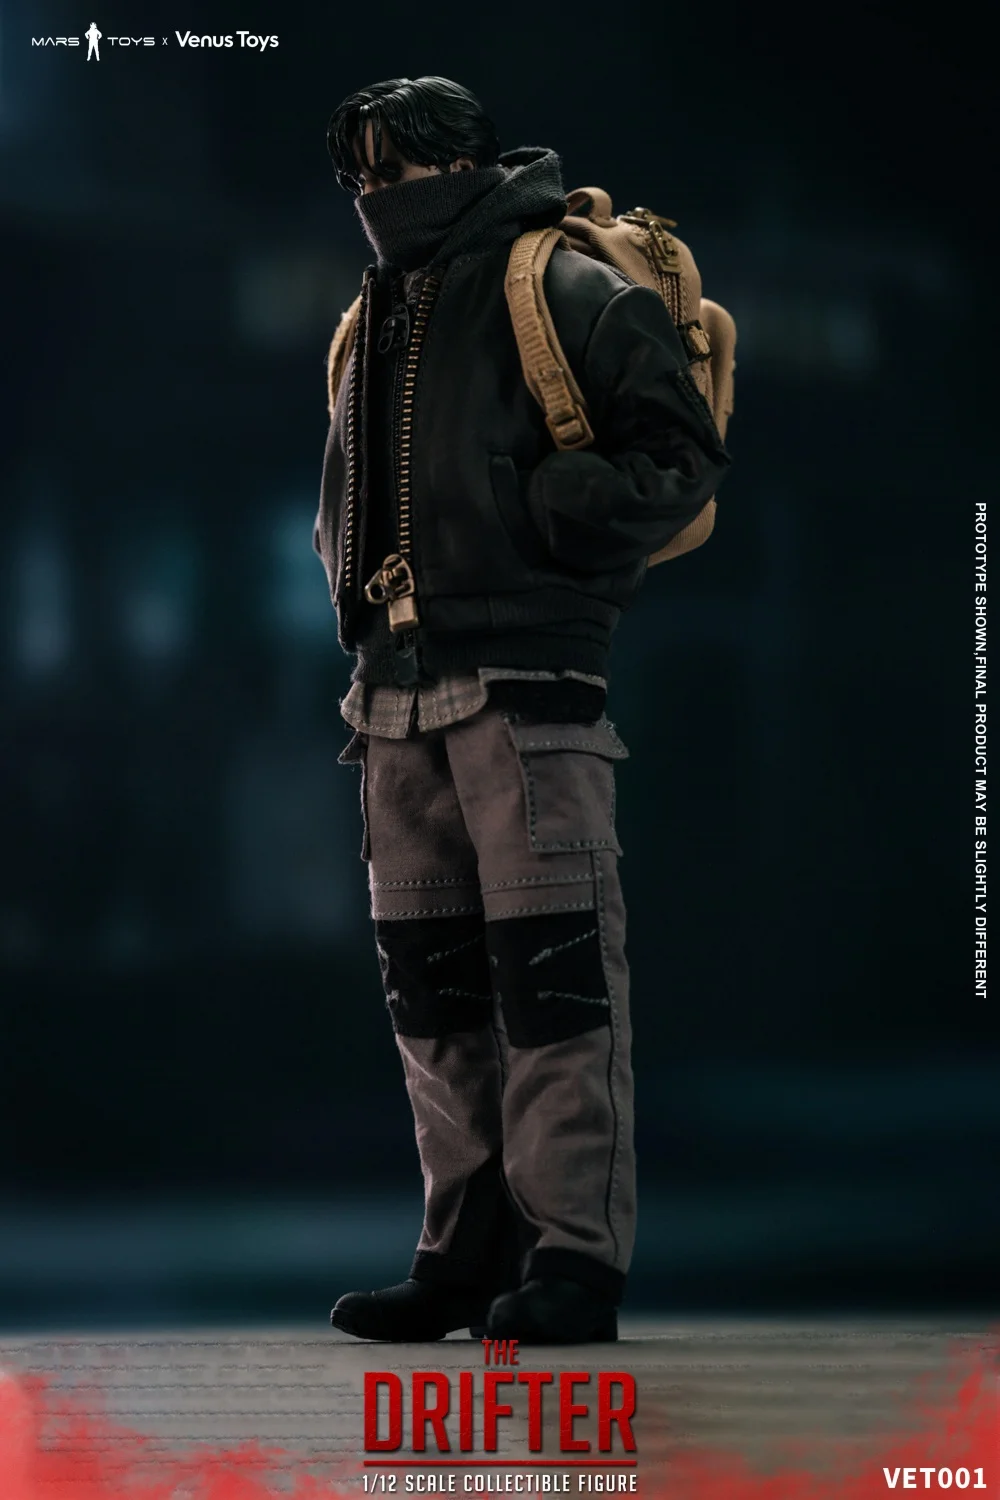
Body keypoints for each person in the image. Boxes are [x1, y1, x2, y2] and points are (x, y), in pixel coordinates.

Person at [315, 76, 730, 1343]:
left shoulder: (561, 285)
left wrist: (553, 519)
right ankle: (464, 1252)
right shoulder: (373, 314)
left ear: (463, 162)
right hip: (393, 697)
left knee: (554, 986)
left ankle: (572, 1264)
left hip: (529, 690)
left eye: (400, 170)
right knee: (432, 995)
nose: (380, 197)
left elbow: (679, 459)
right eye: (362, 178)